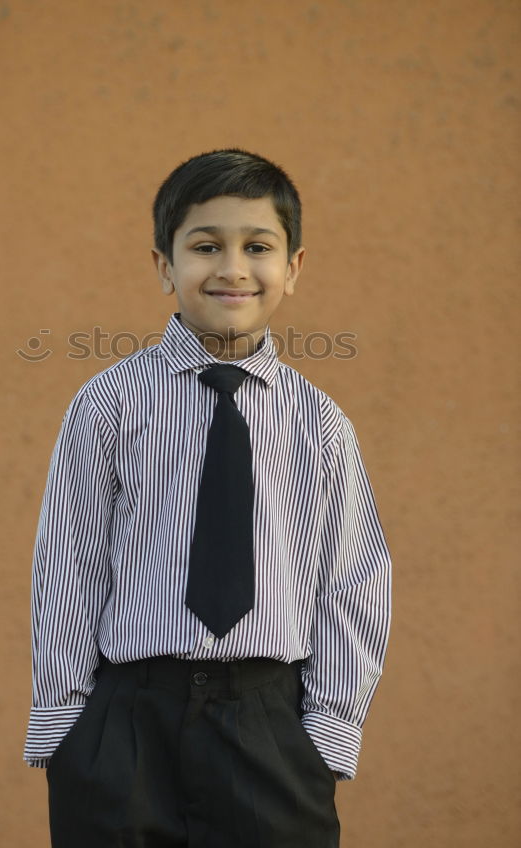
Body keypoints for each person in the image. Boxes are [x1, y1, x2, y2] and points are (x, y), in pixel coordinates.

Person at [23, 148, 392, 848]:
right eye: (203, 246)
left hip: (267, 726)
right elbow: (68, 565)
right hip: (125, 721)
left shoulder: (319, 425)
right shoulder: (108, 404)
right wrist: (66, 728)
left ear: (292, 268)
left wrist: (325, 734)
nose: (230, 268)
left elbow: (352, 582)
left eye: (257, 246)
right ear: (164, 266)